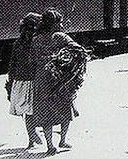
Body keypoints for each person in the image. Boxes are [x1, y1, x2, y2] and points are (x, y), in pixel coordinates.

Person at [31, 8, 84, 154]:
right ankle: (63, 140)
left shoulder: (36, 39)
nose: (61, 25)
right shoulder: (61, 37)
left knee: (46, 111)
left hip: (42, 78)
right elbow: (78, 50)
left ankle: (50, 146)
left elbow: (32, 59)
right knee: (66, 107)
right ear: (54, 24)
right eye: (59, 22)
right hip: (60, 79)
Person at [7, 12, 43, 148]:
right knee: (36, 109)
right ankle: (34, 134)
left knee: (27, 111)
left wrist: (11, 82)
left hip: (20, 81)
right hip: (35, 81)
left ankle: (31, 139)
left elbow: (12, 64)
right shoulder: (38, 42)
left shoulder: (18, 43)